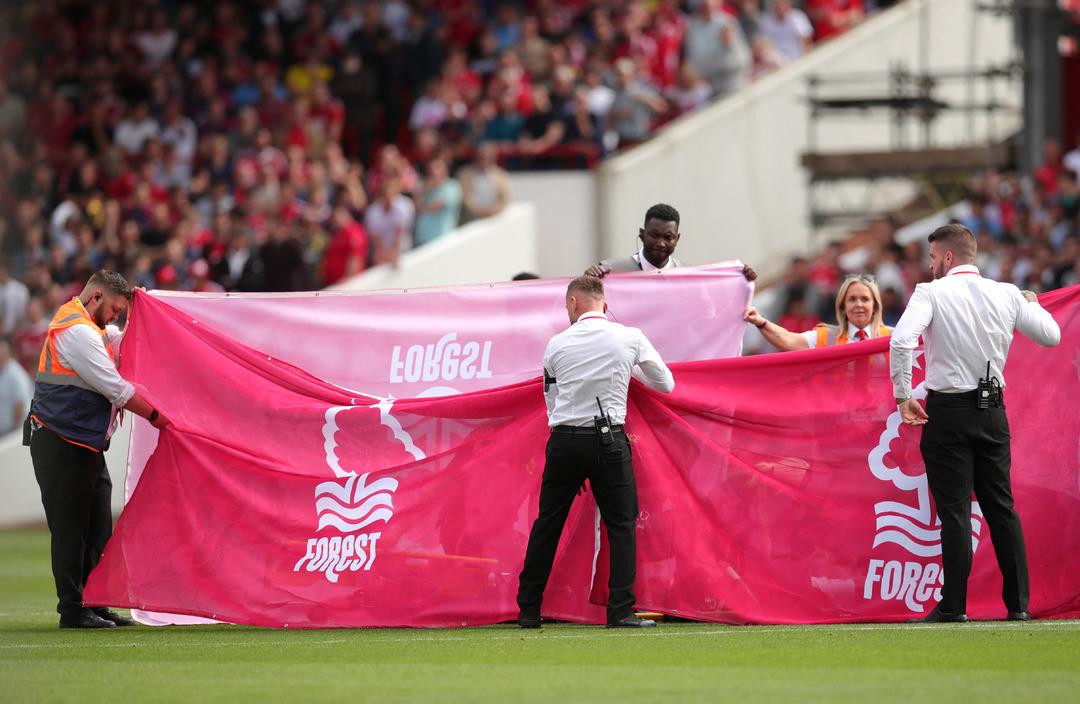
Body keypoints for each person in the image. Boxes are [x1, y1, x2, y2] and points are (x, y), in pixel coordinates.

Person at [890, 224, 1060, 622]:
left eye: (932, 258)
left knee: (955, 513)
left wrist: (902, 396)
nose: (930, 265)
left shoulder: (930, 292)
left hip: (947, 412)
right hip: (992, 411)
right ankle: (1018, 605)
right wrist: (1030, 304)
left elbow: (901, 341)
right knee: (1002, 507)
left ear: (947, 257)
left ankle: (955, 606)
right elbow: (1051, 335)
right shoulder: (1006, 293)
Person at [517, 275, 675, 629]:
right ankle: (620, 610)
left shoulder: (556, 344)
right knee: (621, 524)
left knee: (548, 523)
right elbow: (666, 383)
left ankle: (528, 608)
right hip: (609, 438)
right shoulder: (630, 337)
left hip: (565, 439)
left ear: (574, 303)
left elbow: (550, 398)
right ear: (604, 304)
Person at [27, 270, 171, 629]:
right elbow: (117, 389)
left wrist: (146, 308)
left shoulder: (91, 328)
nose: (117, 318)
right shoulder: (76, 334)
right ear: (95, 299)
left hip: (82, 443)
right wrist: (158, 416)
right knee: (71, 528)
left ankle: (94, 601)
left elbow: (122, 337)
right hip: (62, 442)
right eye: (115, 309)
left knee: (96, 527)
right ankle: (73, 609)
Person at [585, 203, 757, 281]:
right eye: (654, 235)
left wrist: (741, 280)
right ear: (642, 234)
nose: (661, 243)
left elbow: (711, 311)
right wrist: (588, 280)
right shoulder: (611, 271)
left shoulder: (691, 275)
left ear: (677, 239)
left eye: (668, 237)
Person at [744, 274, 890, 350]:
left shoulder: (894, 337)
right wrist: (761, 322)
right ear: (842, 307)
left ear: (875, 306)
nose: (858, 304)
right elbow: (788, 340)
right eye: (852, 299)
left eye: (865, 299)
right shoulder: (827, 337)